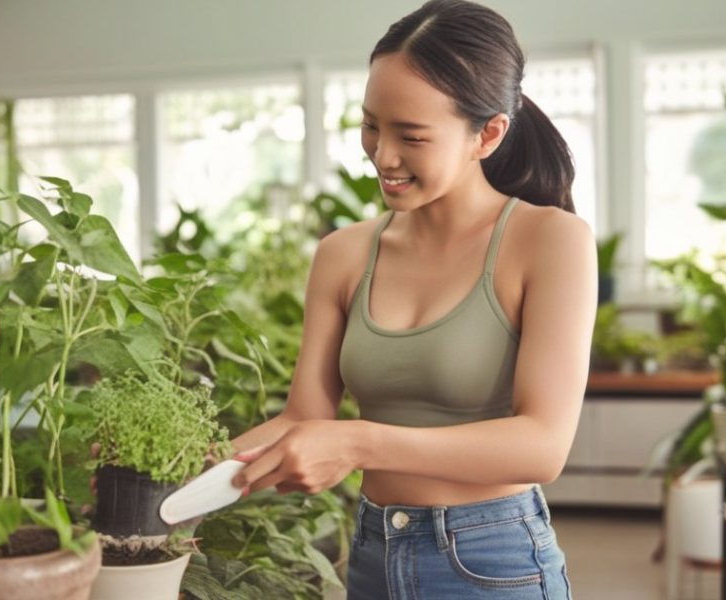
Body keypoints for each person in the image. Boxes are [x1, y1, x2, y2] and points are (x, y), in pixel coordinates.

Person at [227, 1, 595, 597]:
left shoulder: (550, 242)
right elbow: (304, 419)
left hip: (492, 561)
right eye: (372, 125)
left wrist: (357, 440)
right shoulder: (344, 254)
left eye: (412, 136)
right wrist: (177, 473)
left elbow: (542, 446)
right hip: (372, 554)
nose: (382, 154)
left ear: (489, 134)